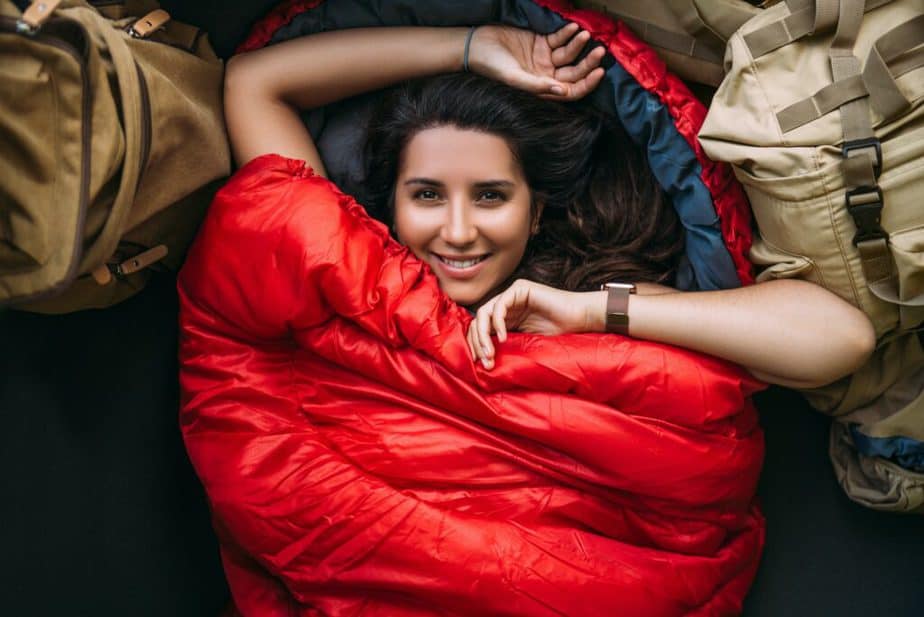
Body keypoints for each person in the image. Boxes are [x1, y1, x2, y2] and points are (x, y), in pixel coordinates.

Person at [223, 22, 875, 389]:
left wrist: (589, 311)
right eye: (425, 194)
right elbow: (255, 81)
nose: (456, 230)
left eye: (491, 196)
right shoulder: (344, 260)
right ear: (389, 203)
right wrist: (469, 47)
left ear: (536, 211)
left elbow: (841, 338)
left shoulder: (583, 301)